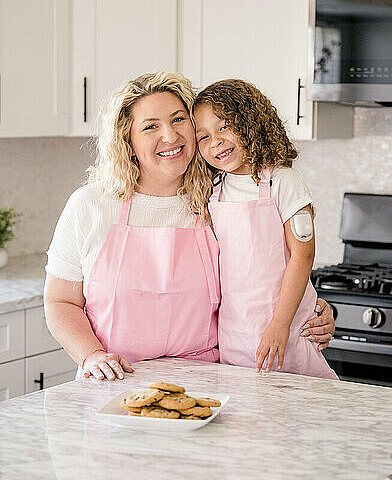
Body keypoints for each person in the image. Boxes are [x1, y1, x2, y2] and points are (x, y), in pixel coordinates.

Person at [44, 72, 335, 382]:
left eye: (178, 119)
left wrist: (309, 309)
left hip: (209, 382)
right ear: (126, 141)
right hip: (114, 380)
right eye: (151, 126)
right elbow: (60, 301)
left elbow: (259, 271)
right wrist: (92, 356)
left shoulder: (217, 197)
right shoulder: (90, 205)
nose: (169, 136)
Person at [193, 78, 338, 379]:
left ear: (250, 122)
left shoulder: (283, 182)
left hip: (287, 329)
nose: (215, 141)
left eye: (223, 127)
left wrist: (279, 325)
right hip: (235, 335)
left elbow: (303, 255)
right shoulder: (212, 189)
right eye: (203, 136)